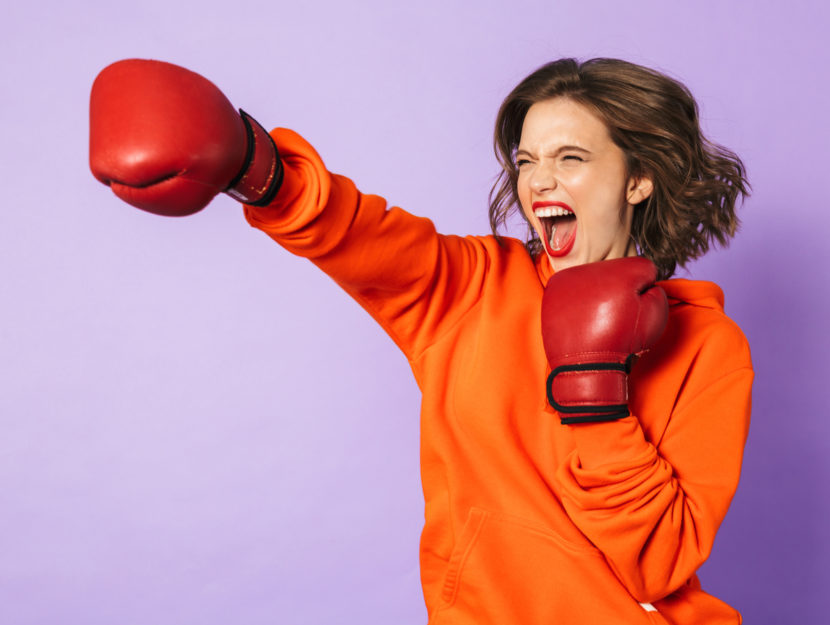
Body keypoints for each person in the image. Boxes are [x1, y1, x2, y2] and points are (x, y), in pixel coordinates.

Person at [89, 57, 753, 624]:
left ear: (638, 178)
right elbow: (356, 234)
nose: (538, 181)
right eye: (526, 161)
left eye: (570, 157)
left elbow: (656, 562)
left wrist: (595, 391)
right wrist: (254, 165)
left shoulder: (708, 345)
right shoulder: (471, 288)